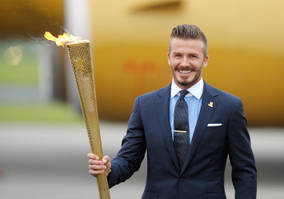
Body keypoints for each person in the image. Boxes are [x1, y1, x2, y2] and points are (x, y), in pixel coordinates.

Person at [88, 24, 257, 199]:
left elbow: (244, 170)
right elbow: (128, 160)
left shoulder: (229, 107)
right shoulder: (145, 105)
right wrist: (107, 170)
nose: (184, 63)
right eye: (178, 56)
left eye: (192, 56)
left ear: (205, 60)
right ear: (169, 58)